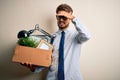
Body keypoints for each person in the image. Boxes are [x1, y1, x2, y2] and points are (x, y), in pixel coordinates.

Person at [21, 3, 91, 80]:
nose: (61, 19)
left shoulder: (76, 36)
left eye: (64, 17)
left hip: (72, 77)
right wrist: (33, 68)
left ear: (69, 17)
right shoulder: (51, 38)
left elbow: (87, 36)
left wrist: (73, 18)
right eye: (59, 17)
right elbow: (45, 60)